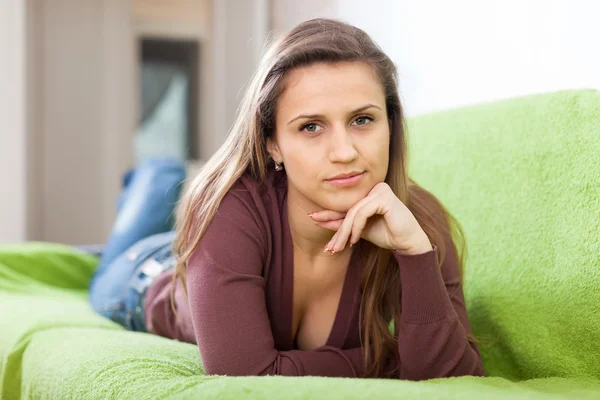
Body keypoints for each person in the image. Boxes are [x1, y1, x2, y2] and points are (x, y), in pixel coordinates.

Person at [90, 18, 485, 380]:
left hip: (213, 255)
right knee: (114, 249)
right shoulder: (227, 206)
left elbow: (456, 376)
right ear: (272, 143)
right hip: (141, 280)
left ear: (391, 124)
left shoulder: (417, 221)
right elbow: (244, 373)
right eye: (311, 126)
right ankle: (154, 177)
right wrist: (388, 361)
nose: (344, 151)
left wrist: (415, 254)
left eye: (362, 120)